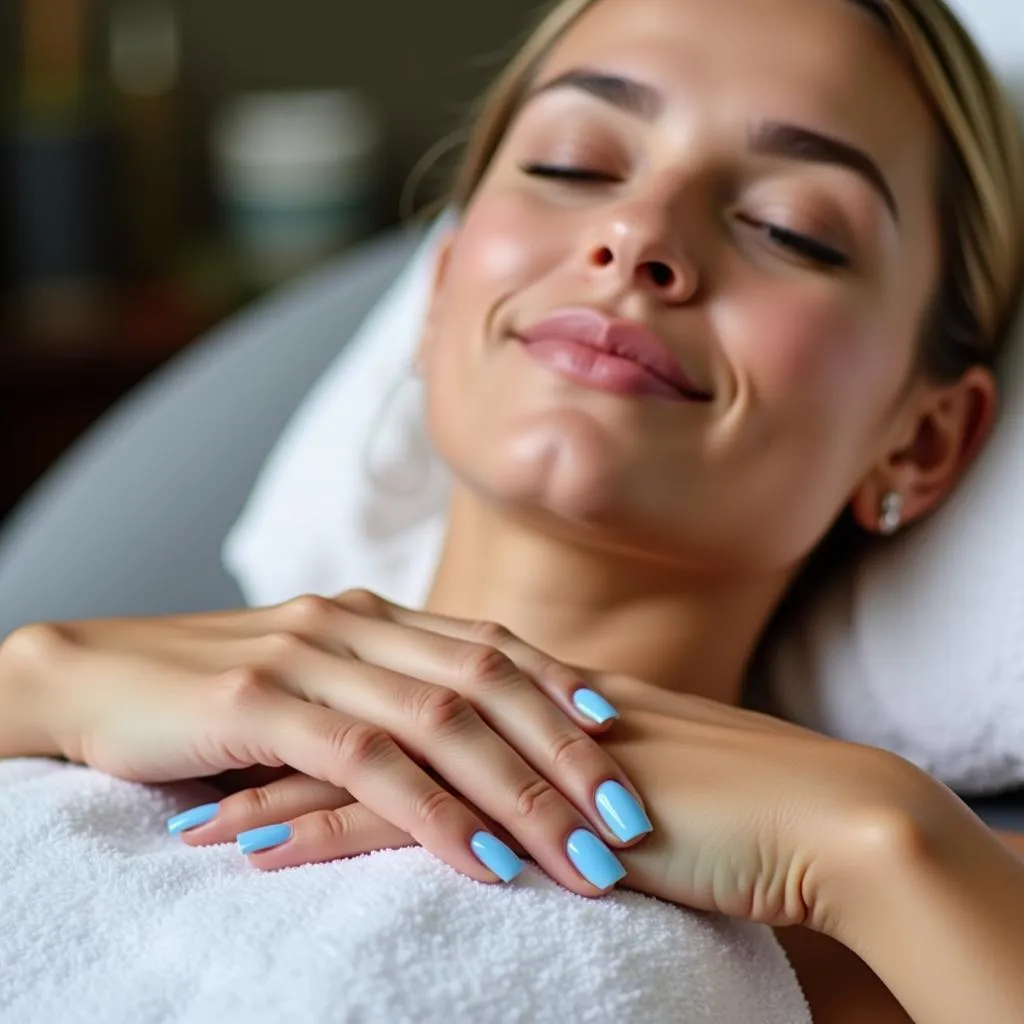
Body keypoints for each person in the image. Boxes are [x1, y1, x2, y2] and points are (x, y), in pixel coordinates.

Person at [3, 0, 1024, 1018]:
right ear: (439, 290)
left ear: (921, 440)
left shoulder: (915, 902)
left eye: (788, 227)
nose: (636, 233)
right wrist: (25, 690)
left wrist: (881, 842)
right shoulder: (71, 706)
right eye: (574, 163)